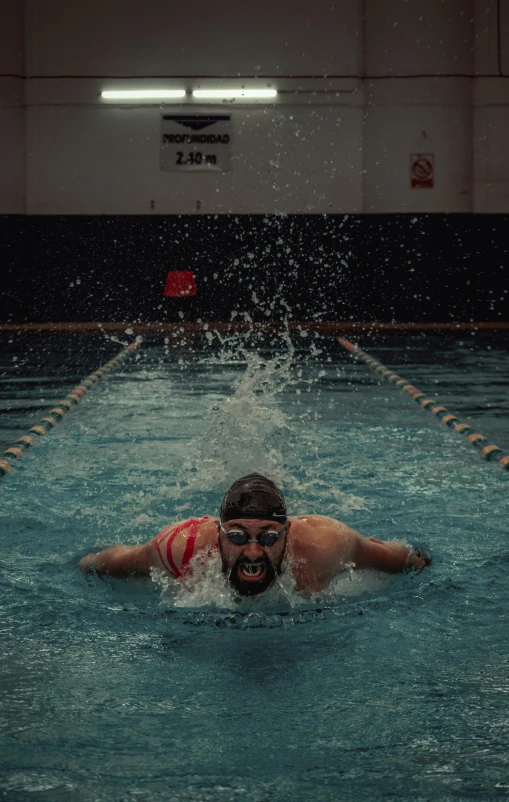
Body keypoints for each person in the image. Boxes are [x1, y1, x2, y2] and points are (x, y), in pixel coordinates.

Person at [78, 473, 431, 596]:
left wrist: (418, 563)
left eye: (267, 537)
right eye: (236, 536)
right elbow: (119, 560)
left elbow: (391, 556)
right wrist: (87, 563)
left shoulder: (322, 546)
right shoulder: (182, 547)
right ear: (217, 534)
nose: (251, 552)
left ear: (287, 532)